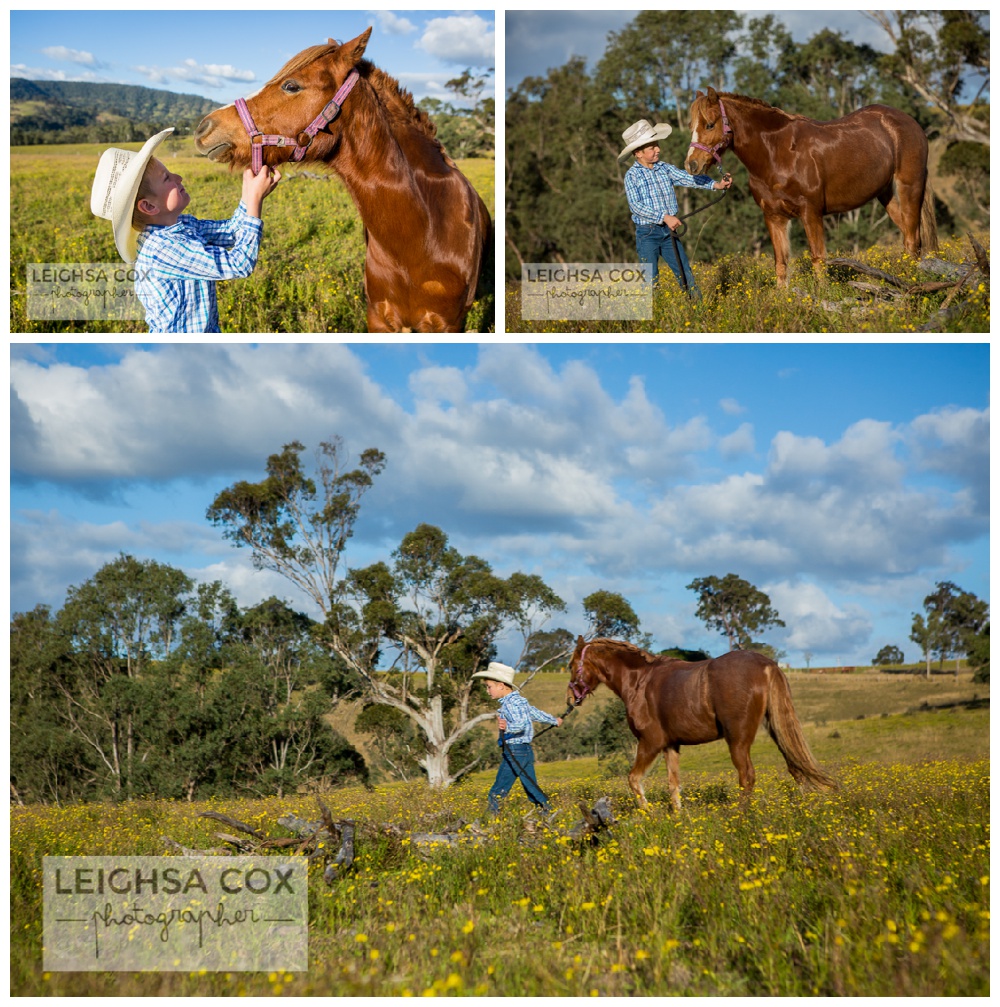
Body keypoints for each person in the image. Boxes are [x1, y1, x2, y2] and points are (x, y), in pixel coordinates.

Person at [90, 127, 281, 332]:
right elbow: (238, 265)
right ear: (149, 207)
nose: (178, 177)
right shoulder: (162, 249)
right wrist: (254, 200)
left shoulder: (183, 225)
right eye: (167, 178)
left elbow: (230, 232)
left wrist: (248, 193)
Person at [618, 119, 731, 297]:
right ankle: (651, 318)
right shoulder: (632, 176)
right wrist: (665, 217)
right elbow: (636, 206)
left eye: (657, 145)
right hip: (648, 234)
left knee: (685, 274)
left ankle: (697, 312)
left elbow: (688, 178)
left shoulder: (664, 168)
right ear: (638, 153)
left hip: (669, 232)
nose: (658, 150)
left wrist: (716, 185)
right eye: (652, 147)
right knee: (650, 279)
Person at [471, 661, 563, 817]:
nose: (487, 691)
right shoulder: (519, 701)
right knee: (530, 786)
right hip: (523, 751)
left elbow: (519, 725)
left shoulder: (510, 704)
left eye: (489, 687)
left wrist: (507, 727)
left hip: (515, 751)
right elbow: (534, 713)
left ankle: (488, 822)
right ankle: (547, 813)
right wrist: (553, 720)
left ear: (500, 685)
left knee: (498, 791)